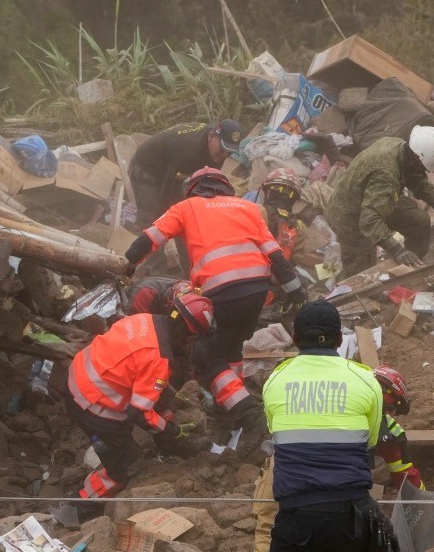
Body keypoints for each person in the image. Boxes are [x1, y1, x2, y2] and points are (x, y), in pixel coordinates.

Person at [251, 300, 384, 552]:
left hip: (297, 516)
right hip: (351, 510)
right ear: (342, 337)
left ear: (294, 339)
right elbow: (372, 442)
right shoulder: (366, 380)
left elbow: (278, 433)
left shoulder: (276, 381)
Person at [123, 167, 308, 457]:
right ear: (225, 188)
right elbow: (276, 257)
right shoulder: (247, 208)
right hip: (257, 291)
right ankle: (226, 406)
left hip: (220, 292)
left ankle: (250, 416)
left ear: (194, 189)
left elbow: (151, 238)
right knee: (230, 348)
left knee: (205, 357)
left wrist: (127, 266)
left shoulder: (186, 207)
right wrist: (298, 292)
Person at [248, 364, 424, 552]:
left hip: (288, 462)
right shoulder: (385, 427)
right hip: (335, 478)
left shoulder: (328, 394)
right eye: (393, 407)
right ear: (389, 399)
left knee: (271, 523)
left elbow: (405, 474)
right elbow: (405, 475)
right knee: (339, 529)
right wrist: (422, 506)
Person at [66, 290, 215, 499]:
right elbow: (139, 413)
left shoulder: (145, 320)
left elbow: (146, 377)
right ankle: (78, 504)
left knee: (162, 395)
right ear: (188, 334)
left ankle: (168, 446)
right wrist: (171, 430)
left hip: (78, 375)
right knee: (127, 466)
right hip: (92, 403)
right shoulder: (158, 358)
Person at [324, 126, 434, 277]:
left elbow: (416, 178)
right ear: (415, 157)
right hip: (349, 216)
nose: (423, 172)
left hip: (375, 199)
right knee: (362, 271)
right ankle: (354, 291)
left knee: (419, 221)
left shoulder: (401, 147)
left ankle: (412, 269)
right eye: (422, 167)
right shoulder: (386, 174)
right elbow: (369, 221)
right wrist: (397, 250)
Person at [128, 119, 245, 228]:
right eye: (223, 149)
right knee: (152, 219)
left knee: (184, 217)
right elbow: (169, 190)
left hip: (169, 167)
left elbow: (208, 183)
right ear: (211, 137)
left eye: (229, 152)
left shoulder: (215, 150)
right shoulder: (187, 152)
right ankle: (144, 246)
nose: (225, 155)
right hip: (146, 168)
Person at [259, 168, 316, 303]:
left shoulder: (254, 212)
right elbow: (295, 260)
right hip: (277, 286)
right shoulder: (298, 227)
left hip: (244, 279)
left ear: (267, 192)